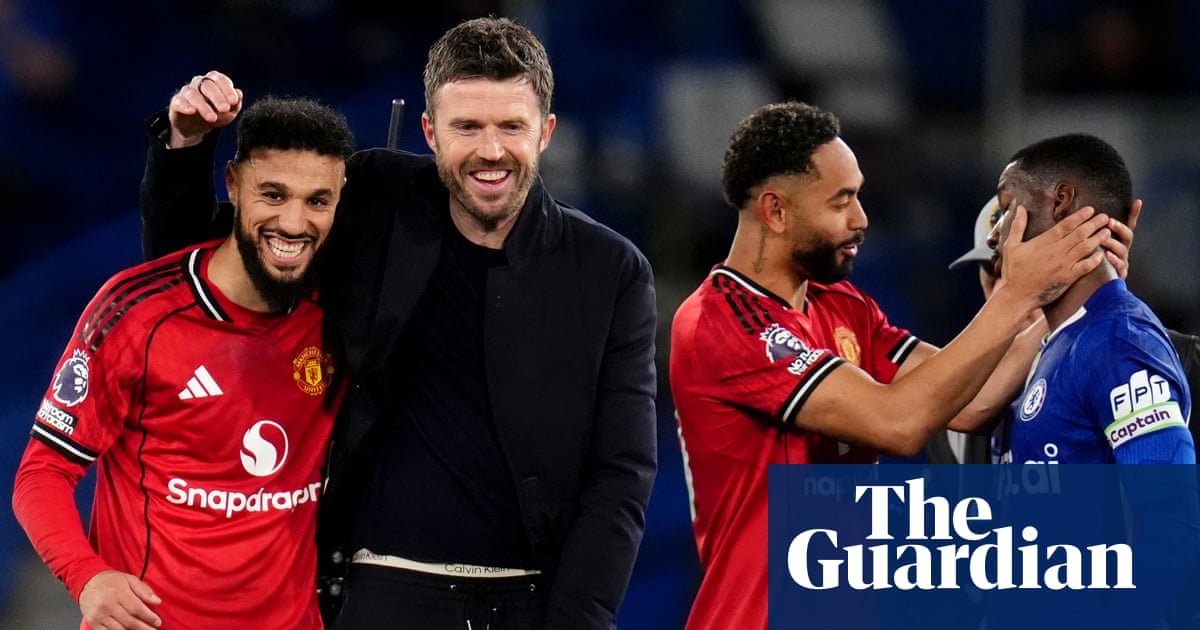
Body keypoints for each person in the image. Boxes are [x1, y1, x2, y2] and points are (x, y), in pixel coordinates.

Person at [140, 17, 657, 630]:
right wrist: (186, 142)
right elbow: (198, 268)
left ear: (545, 132)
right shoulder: (375, 201)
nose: (491, 151)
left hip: (532, 604)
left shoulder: (610, 270)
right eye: (467, 127)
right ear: (430, 132)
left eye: (511, 127)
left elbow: (621, 475)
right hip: (378, 593)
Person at [668, 101, 1116, 630]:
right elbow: (897, 423)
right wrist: (1017, 295)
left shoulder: (844, 306)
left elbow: (969, 402)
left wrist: (1071, 295)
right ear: (776, 211)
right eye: (841, 201)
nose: (861, 219)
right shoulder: (723, 320)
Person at [12, 96, 355, 629]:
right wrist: (87, 576)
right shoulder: (136, 312)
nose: (293, 221)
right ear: (233, 185)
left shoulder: (342, 313)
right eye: (273, 194)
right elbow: (42, 473)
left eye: (317, 201)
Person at [986, 133, 1193, 464]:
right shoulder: (1064, 342)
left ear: (1060, 201)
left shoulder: (1118, 340)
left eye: (1006, 209)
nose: (993, 235)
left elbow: (1168, 496)